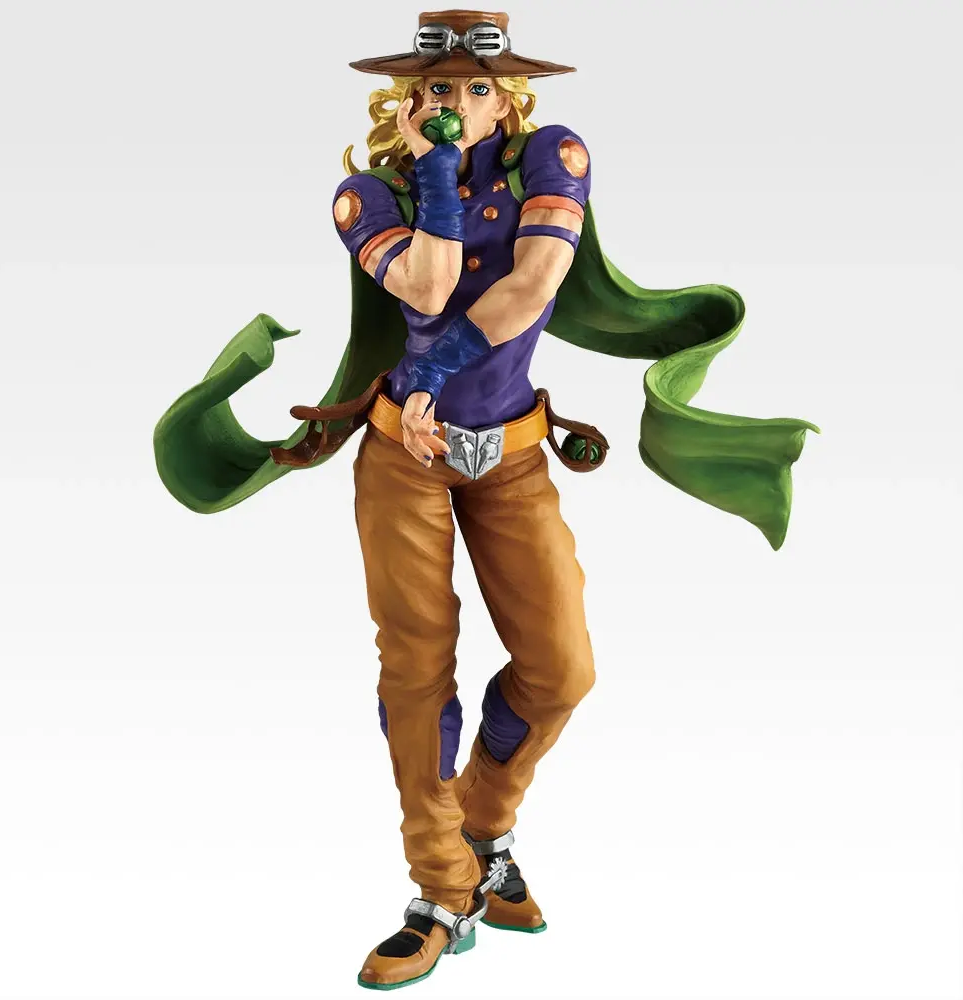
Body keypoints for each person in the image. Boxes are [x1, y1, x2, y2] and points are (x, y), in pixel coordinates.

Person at [152, 8, 817, 992]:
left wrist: (433, 374)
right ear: (406, 99)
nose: (456, 103)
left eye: (476, 88)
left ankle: (483, 825)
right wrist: (430, 172)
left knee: (561, 667)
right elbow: (426, 289)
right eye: (438, 88)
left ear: (508, 98)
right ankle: (441, 889)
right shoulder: (365, 194)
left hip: (510, 453)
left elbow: (532, 284)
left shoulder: (555, 157)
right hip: (401, 460)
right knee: (417, 670)